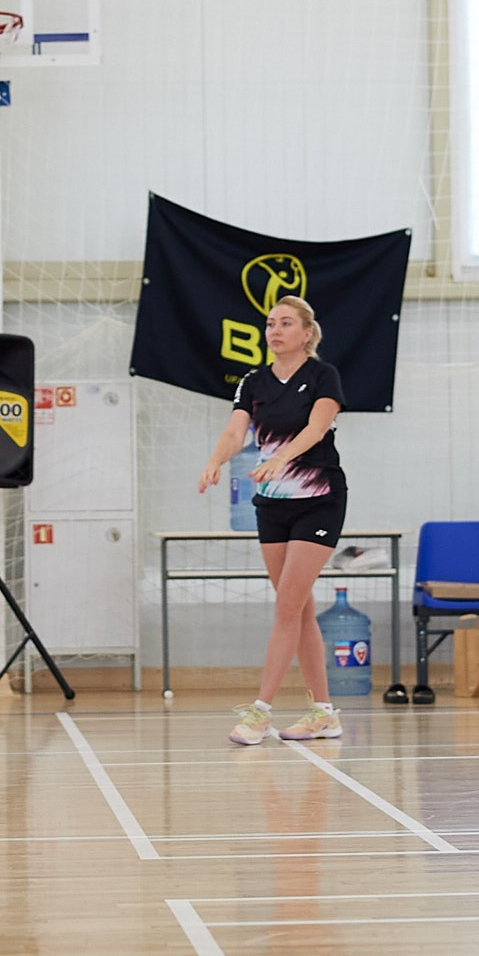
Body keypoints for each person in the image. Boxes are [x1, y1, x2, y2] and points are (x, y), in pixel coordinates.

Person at [196, 297, 348, 747]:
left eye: (286, 323)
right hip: (272, 503)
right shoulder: (253, 381)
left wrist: (282, 456)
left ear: (306, 333)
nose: (275, 330)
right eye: (270, 324)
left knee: (286, 606)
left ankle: (259, 713)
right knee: (298, 609)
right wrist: (215, 460)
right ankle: (324, 714)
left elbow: (317, 428)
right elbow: (233, 432)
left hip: (318, 499)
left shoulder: (323, 375)